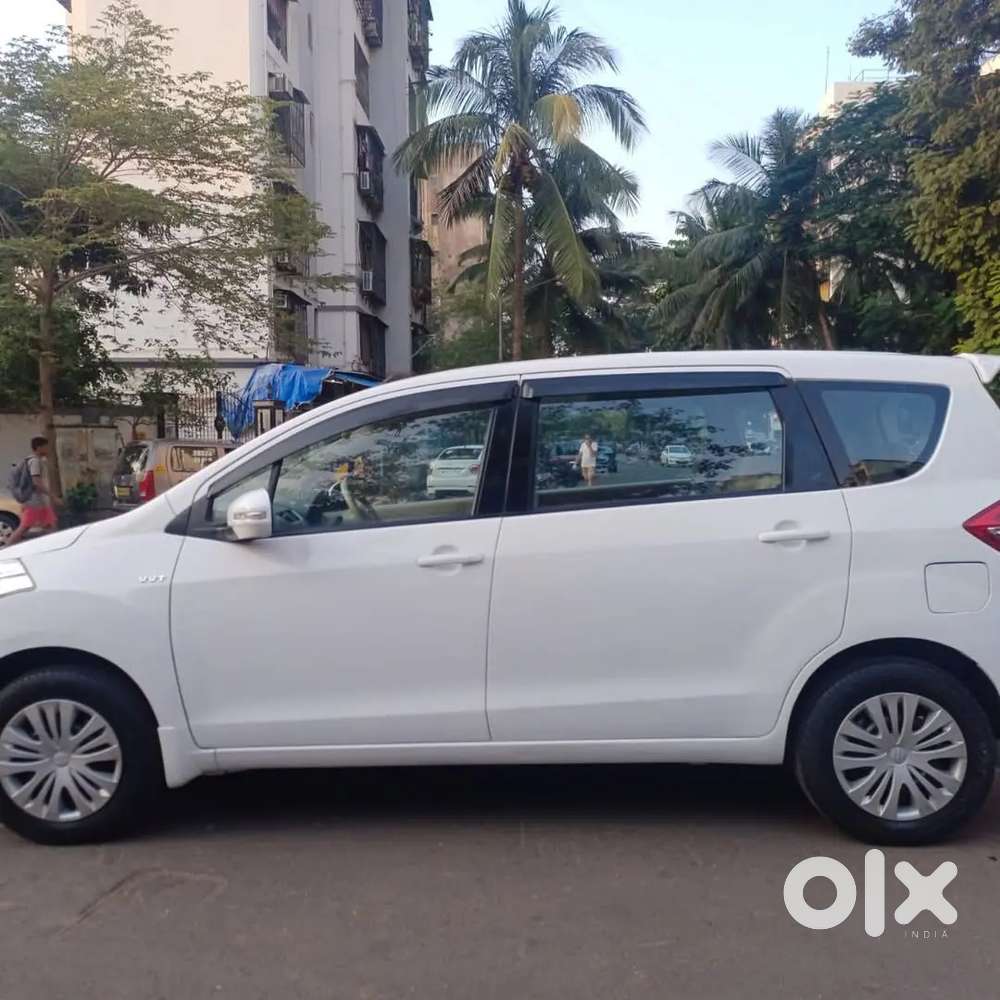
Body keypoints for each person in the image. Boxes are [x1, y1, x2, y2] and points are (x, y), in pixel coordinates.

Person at [3, 437, 58, 547]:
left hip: (39, 501)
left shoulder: (33, 460)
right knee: (24, 527)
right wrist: (53, 496)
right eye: (46, 447)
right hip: (34, 502)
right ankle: (6, 549)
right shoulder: (35, 462)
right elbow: (36, 482)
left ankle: (54, 547)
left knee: (50, 525)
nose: (48, 449)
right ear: (39, 447)